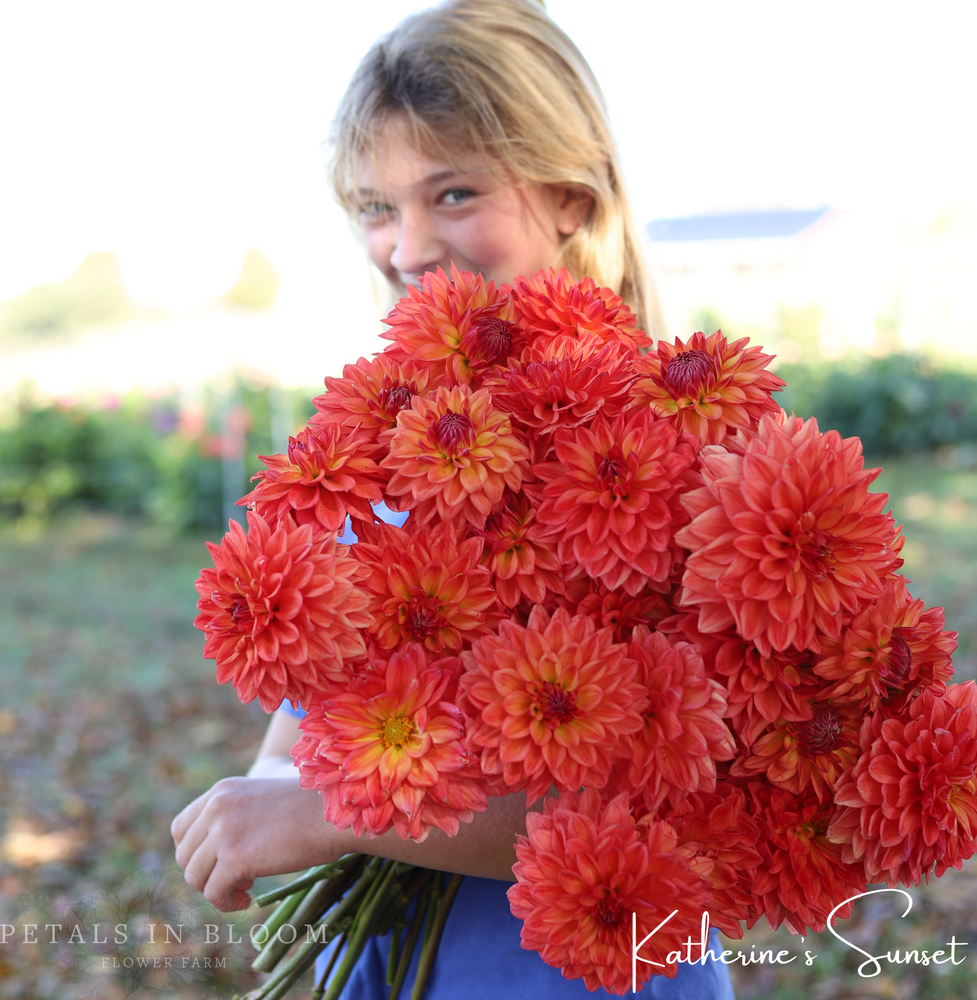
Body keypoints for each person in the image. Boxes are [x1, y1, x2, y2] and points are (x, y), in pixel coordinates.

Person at [172, 2, 733, 996]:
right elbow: (305, 732)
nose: (409, 246)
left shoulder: (676, 458)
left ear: (570, 194)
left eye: (455, 192)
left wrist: (322, 815)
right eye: (376, 208)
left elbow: (664, 803)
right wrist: (259, 801)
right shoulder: (384, 450)